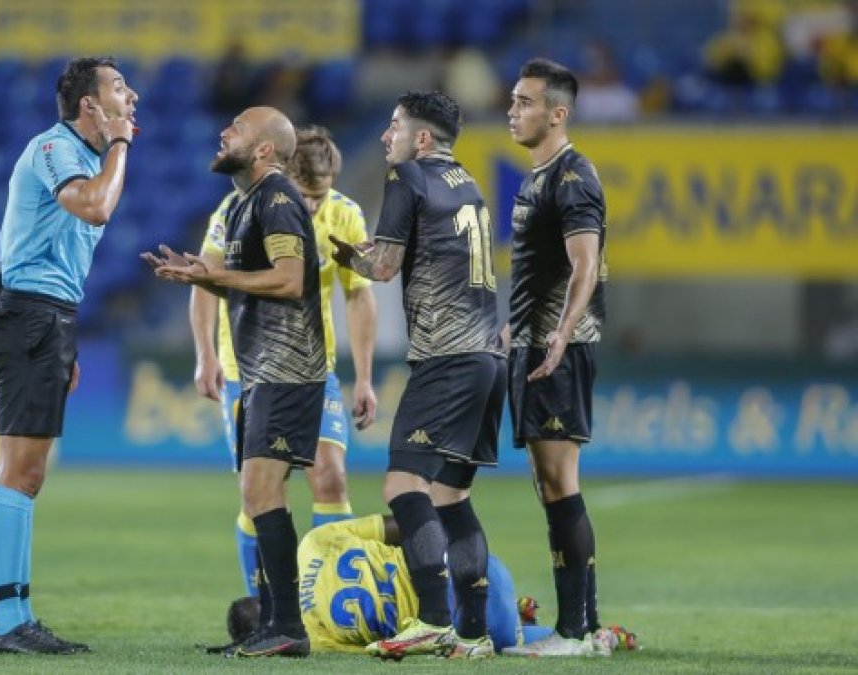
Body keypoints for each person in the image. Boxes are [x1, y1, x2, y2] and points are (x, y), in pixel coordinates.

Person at [143, 106, 326, 658]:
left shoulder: (276, 200)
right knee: (258, 494)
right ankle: (272, 623)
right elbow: (255, 284)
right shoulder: (246, 203)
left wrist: (215, 274)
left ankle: (288, 627)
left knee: (262, 492)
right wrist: (206, 278)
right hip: (263, 372)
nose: (224, 131)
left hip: (289, 369)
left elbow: (291, 280)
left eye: (239, 128)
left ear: (266, 149)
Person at [331, 90, 504, 661]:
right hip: (487, 357)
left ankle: (431, 618)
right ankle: (473, 633)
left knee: (402, 486)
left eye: (396, 126)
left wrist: (347, 258)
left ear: (421, 140)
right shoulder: (469, 184)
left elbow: (382, 267)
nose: (387, 137)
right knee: (451, 497)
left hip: (446, 359)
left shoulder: (407, 176)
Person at [0, 56, 137, 655]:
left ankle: (11, 617)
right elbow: (94, 207)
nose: (132, 97)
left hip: (47, 317)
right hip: (28, 314)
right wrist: (121, 147)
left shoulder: (88, 157)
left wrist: (63, 339)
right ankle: (7, 621)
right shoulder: (55, 148)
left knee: (30, 471)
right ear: (89, 106)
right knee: (20, 470)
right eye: (119, 88)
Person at [190, 125, 377, 598]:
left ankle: (330, 600)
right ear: (284, 176)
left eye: (322, 195)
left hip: (315, 371)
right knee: (258, 496)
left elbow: (360, 297)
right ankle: (263, 607)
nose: (313, 207)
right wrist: (206, 354)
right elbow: (205, 278)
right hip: (247, 373)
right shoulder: (237, 209)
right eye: (306, 195)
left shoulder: (345, 215)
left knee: (331, 478)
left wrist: (365, 379)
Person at [501, 58, 608, 657]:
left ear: (557, 113)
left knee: (559, 481)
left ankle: (575, 631)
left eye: (524, 102)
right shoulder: (538, 176)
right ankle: (585, 626)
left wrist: (561, 334)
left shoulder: (573, 177)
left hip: (556, 348)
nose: (512, 111)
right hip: (533, 342)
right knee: (548, 483)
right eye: (513, 101)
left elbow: (585, 264)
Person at [220, 515, 637, 656]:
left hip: (484, 626)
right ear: (267, 594)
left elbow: (377, 646)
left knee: (503, 642)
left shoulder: (312, 639)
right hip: (479, 568)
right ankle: (565, 621)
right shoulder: (314, 544)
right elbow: (400, 524)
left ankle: (593, 639)